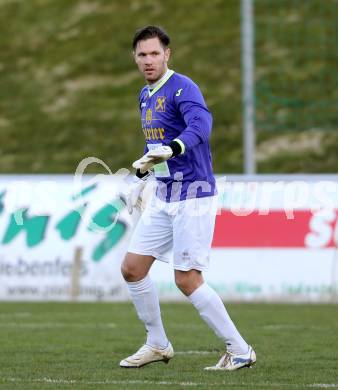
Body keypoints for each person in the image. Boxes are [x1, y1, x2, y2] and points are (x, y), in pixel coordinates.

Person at [119, 25, 256, 371]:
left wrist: (173, 147)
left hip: (193, 195)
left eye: (154, 53)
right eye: (142, 54)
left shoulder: (183, 88)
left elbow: (201, 127)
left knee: (186, 279)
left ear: (167, 55)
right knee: (133, 269)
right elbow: (157, 147)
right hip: (165, 195)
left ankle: (240, 349)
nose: (148, 60)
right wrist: (143, 172)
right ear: (134, 58)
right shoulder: (145, 96)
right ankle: (157, 343)